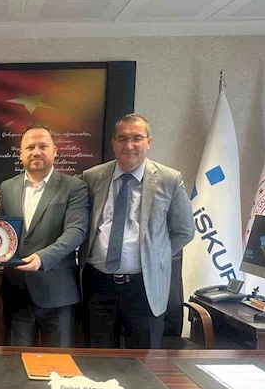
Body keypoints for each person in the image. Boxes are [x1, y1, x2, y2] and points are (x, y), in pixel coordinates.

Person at [79, 113, 194, 349]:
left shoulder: (169, 179)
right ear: (113, 143)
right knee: (98, 361)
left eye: (136, 138)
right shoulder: (92, 177)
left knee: (144, 362)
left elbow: (184, 230)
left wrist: (155, 256)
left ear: (148, 142)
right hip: (98, 285)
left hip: (144, 287)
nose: (129, 145)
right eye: (122, 138)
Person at [0, 124, 89, 347]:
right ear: (21, 153)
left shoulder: (74, 187)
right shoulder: (7, 187)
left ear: (55, 151)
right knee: (15, 361)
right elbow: (3, 231)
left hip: (58, 293)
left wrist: (42, 258)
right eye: (30, 147)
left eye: (42, 146)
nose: (36, 152)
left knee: (57, 363)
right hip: (17, 292)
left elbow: (76, 231)